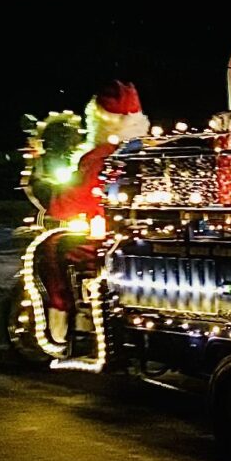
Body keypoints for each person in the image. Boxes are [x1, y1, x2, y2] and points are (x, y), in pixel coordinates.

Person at [37, 81, 150, 343]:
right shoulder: (145, 150)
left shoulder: (99, 156)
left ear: (99, 121)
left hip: (103, 240)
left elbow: (75, 198)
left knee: (51, 248)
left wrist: (53, 197)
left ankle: (60, 315)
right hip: (138, 237)